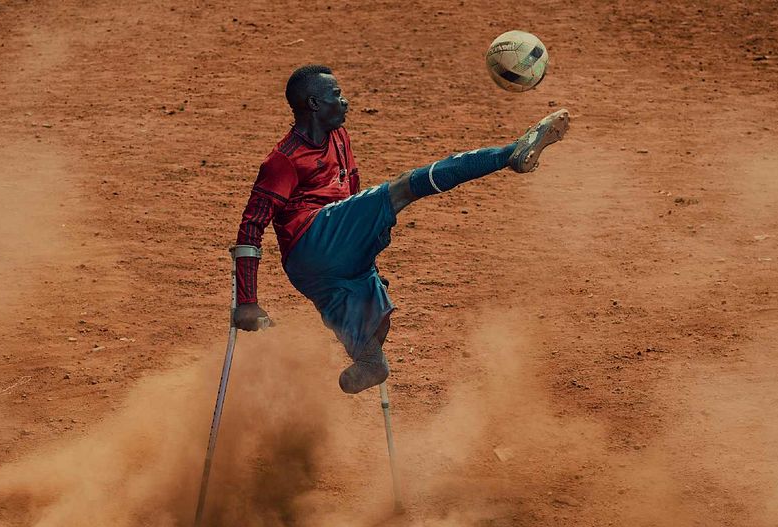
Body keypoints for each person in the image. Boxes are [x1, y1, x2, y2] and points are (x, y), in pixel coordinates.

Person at [232, 64, 569, 394]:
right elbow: (252, 225)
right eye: (337, 94)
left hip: (323, 261)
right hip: (312, 239)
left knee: (375, 324)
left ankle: (368, 364)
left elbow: (351, 196)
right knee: (405, 187)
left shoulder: (339, 137)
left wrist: (364, 256)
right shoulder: (283, 160)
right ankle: (510, 154)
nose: (345, 100)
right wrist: (246, 301)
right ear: (314, 104)